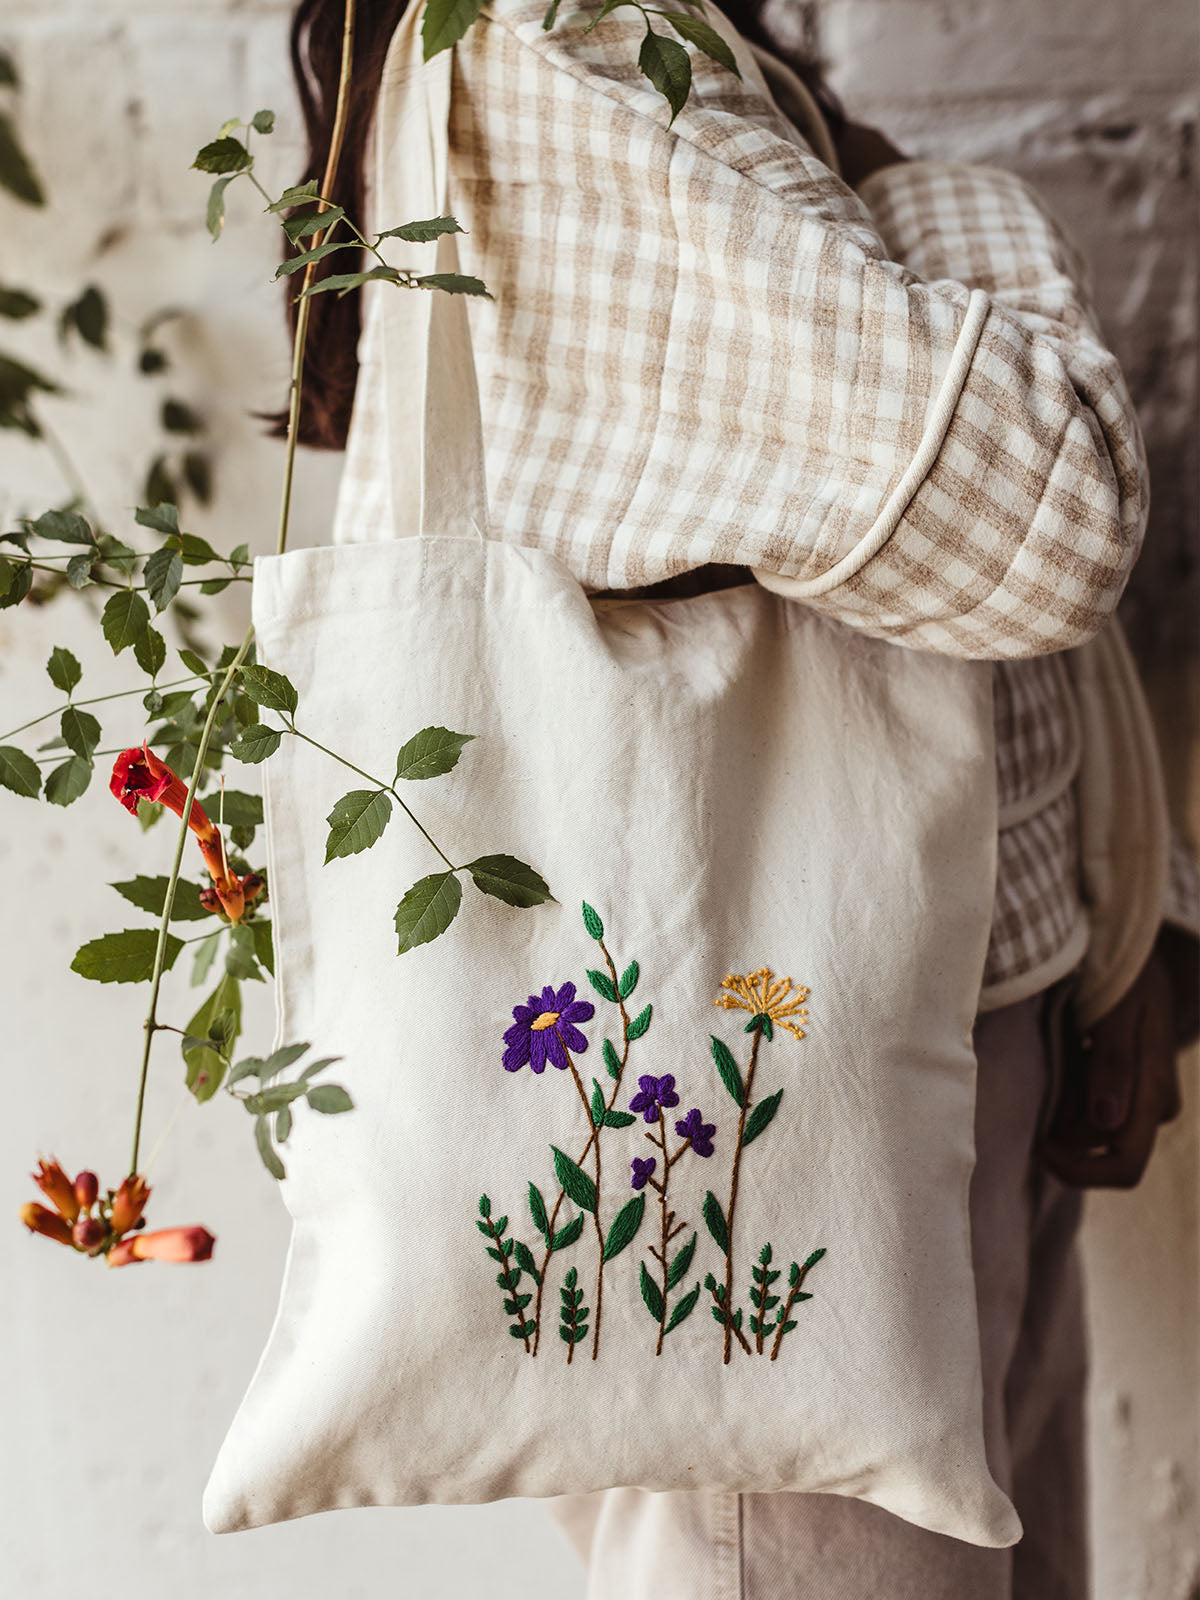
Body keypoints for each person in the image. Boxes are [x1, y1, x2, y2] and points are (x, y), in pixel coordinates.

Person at [281, 1, 1200, 1593]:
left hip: (922, 1044)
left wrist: (1111, 932)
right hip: (779, 1123)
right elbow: (1040, 512)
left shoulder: (702, 46)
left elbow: (931, 600)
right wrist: (946, 197)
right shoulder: (576, 55)